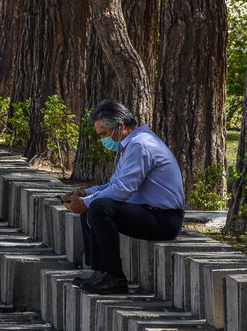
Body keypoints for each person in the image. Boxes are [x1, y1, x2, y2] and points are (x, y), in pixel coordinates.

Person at [60, 99, 186, 295]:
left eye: (104, 134)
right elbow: (114, 184)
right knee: (92, 205)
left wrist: (86, 202)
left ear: (119, 127)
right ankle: (100, 272)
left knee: (98, 208)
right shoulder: (130, 145)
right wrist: (85, 194)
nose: (103, 140)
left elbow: (124, 189)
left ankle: (115, 277)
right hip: (149, 212)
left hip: (164, 219)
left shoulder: (140, 145)